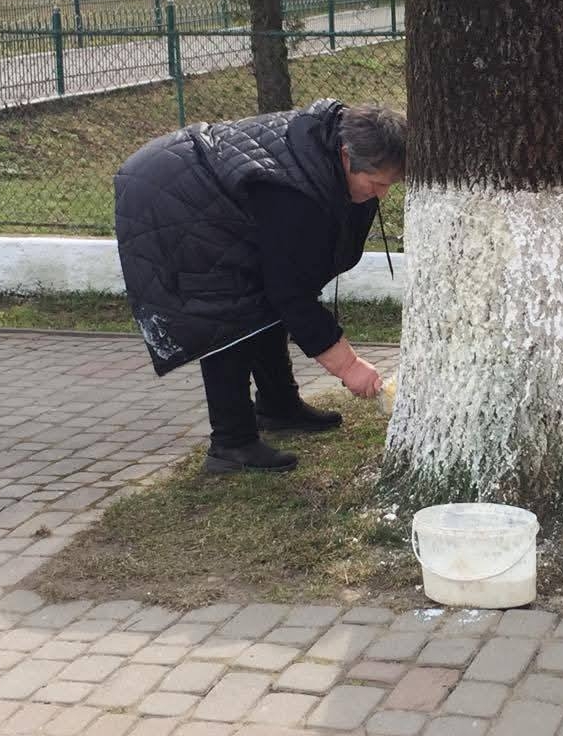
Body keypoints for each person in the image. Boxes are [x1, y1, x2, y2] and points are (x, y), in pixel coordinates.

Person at [113, 99, 405, 474]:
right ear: (347, 157)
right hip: (172, 201)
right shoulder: (295, 192)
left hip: (203, 186)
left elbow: (289, 281)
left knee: (261, 305)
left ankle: (279, 406)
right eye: (377, 183)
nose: (382, 194)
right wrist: (348, 366)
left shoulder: (326, 160)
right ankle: (231, 444)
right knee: (227, 315)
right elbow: (290, 292)